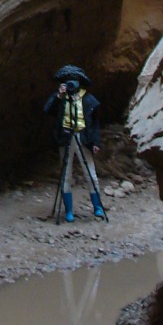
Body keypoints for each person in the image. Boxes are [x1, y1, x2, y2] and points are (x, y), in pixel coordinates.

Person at [44, 65, 106, 222]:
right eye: (68, 81)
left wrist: (96, 141)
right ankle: (68, 211)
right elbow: (47, 110)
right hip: (66, 137)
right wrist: (58, 95)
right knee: (66, 174)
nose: (71, 84)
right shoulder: (61, 98)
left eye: (74, 81)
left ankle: (97, 207)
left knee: (90, 173)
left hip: (83, 137)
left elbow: (95, 123)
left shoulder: (88, 100)